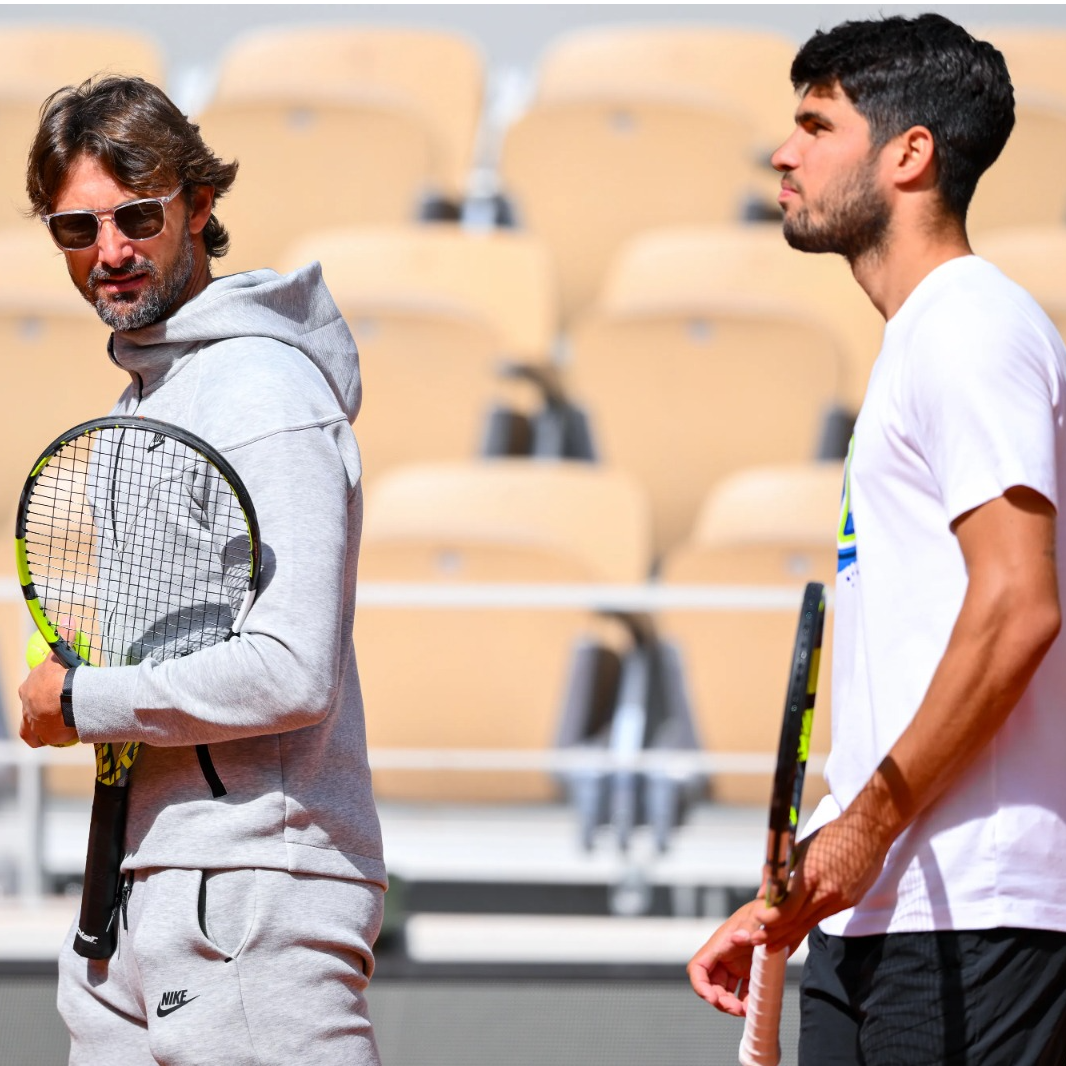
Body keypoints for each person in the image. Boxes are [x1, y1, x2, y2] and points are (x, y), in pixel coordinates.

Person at [688, 14, 1066, 1065]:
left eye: (817, 124)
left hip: (975, 916)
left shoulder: (970, 327)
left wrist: (861, 833)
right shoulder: (923, 343)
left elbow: (1018, 607)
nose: (783, 151)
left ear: (909, 154)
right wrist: (803, 889)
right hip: (883, 916)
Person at [16, 75, 387, 1065]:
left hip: (253, 901)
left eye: (139, 216)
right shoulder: (152, 396)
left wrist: (88, 697)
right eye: (76, 230)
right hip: (134, 896)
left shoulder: (262, 388)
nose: (111, 251)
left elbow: (293, 669)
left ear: (199, 206)